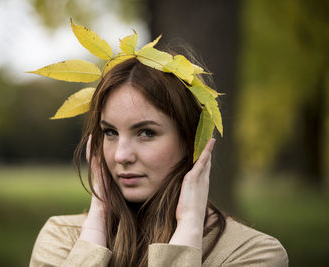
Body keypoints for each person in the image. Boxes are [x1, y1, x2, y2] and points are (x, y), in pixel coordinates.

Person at [29, 22, 288, 267]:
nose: (121, 155)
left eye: (146, 133)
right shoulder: (63, 239)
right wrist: (97, 224)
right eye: (110, 132)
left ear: (191, 140)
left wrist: (188, 230)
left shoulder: (251, 252)